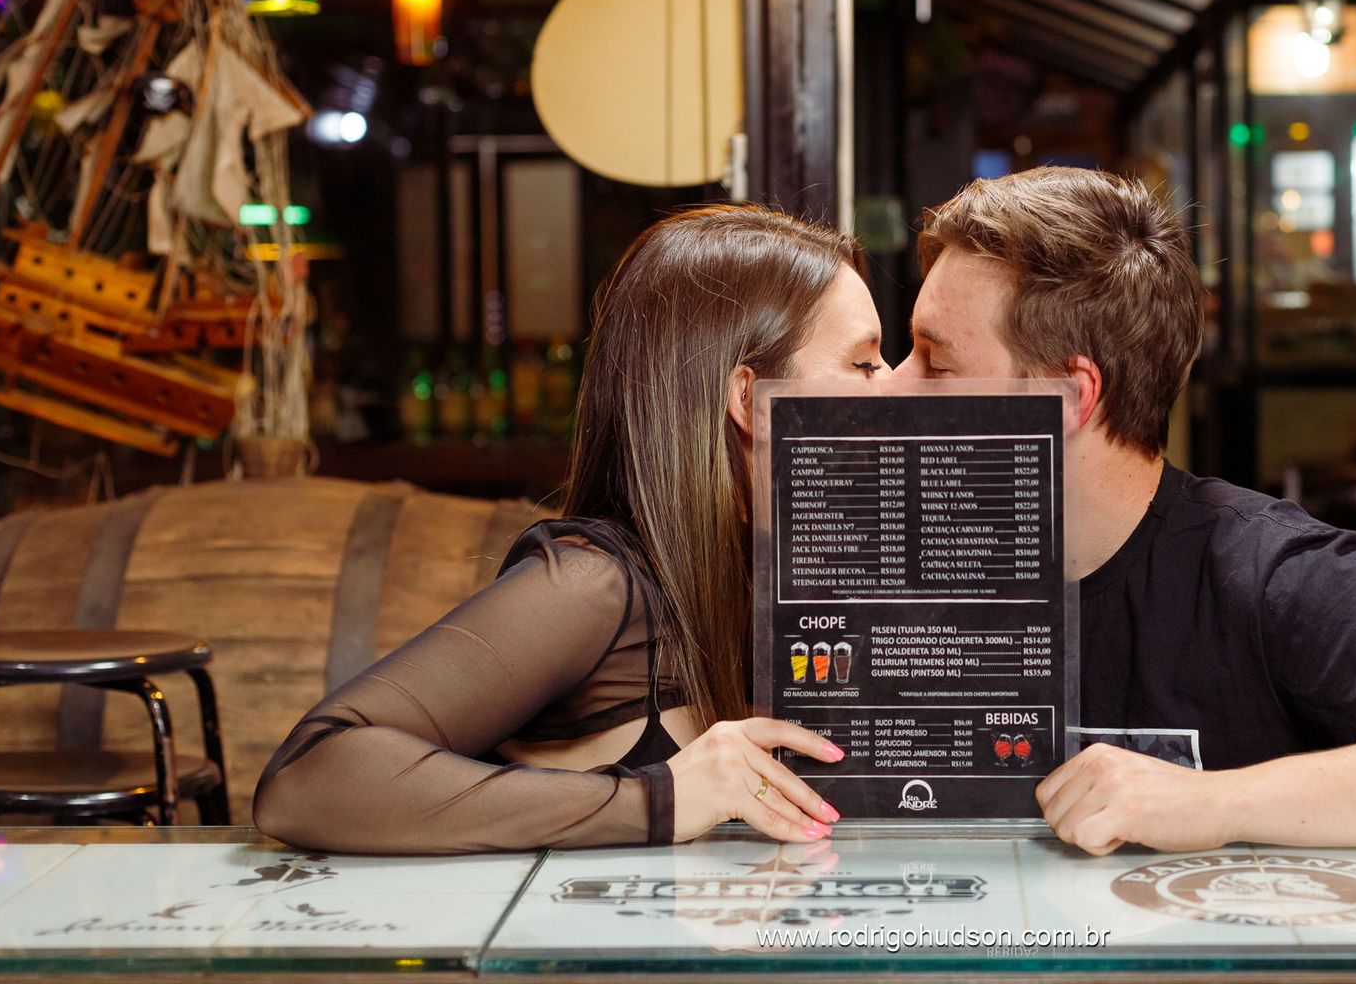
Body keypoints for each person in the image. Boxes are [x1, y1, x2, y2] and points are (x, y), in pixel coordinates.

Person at [895, 166, 1356, 855]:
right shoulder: (883, 574)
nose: (892, 391)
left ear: (1070, 396)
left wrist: (1214, 803)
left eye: (937, 362)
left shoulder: (1262, 572)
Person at [252, 205, 888, 854]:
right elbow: (308, 776)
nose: (894, 389)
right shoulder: (597, 585)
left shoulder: (787, 577)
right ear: (748, 400)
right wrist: (660, 799)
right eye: (865, 365)